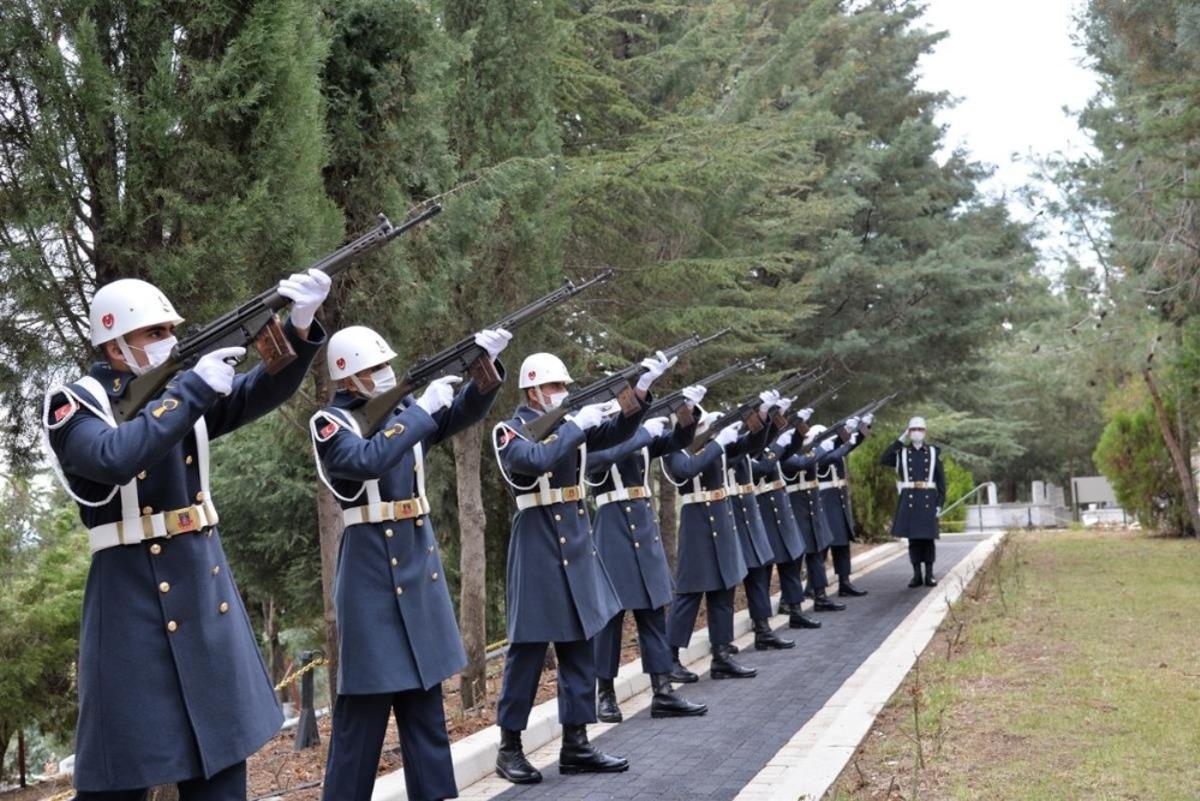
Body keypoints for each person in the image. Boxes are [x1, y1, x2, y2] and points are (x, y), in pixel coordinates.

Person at [43, 271, 330, 800]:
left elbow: (259, 390)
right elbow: (114, 456)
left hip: (201, 589)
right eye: (153, 332)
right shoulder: (73, 403)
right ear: (114, 342)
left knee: (219, 765)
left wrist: (299, 326)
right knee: (120, 776)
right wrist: (192, 387)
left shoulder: (178, 392)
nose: (168, 341)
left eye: (169, 329)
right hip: (128, 604)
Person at [310, 325, 510, 801]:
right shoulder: (332, 423)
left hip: (418, 569)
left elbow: (461, 413)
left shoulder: (402, 412)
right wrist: (420, 410)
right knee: (362, 723)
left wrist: (484, 369)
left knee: (426, 713)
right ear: (347, 377)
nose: (384, 374)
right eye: (373, 369)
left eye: (384, 366)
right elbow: (365, 461)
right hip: (370, 577)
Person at [491, 350, 673, 783]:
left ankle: (576, 742)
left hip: (574, 539)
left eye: (564, 387)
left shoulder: (567, 427)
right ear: (532, 389)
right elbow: (533, 462)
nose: (563, 393)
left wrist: (640, 390)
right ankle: (509, 746)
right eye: (555, 387)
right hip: (536, 542)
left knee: (579, 644)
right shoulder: (510, 430)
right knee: (528, 650)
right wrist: (575, 425)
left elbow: (618, 432)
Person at [588, 392, 708, 723]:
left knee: (653, 611)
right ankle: (605, 693)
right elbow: (598, 462)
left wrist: (688, 412)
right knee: (611, 619)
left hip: (643, 524)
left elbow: (679, 440)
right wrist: (639, 432)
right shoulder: (599, 442)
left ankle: (663, 690)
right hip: (612, 526)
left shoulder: (640, 441)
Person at [662, 404, 769, 683]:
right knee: (689, 592)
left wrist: (762, 418)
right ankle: (669, 658)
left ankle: (722, 655)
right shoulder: (675, 447)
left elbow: (751, 445)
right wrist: (718, 443)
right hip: (697, 519)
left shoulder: (713, 444)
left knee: (724, 588)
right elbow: (686, 469)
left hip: (721, 517)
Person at [726, 394, 794, 652]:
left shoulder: (739, 446)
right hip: (730, 515)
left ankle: (763, 629)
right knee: (730, 581)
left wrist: (768, 416)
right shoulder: (721, 449)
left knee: (758, 573)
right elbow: (757, 461)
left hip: (747, 513)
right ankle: (722, 642)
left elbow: (757, 442)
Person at [754, 413, 821, 630]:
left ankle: (796, 610)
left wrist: (798, 428)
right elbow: (763, 468)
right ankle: (761, 623)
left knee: (792, 562)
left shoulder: (769, 445)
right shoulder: (747, 447)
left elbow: (791, 450)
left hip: (780, 509)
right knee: (763, 572)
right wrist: (778, 445)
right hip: (762, 510)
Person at [813, 414, 873, 601]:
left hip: (837, 500)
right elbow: (834, 455)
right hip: (824, 501)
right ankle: (815, 586)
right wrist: (845, 442)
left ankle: (844, 582)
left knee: (842, 544)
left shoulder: (831, 449)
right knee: (822, 549)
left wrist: (862, 429)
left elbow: (846, 447)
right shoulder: (816, 453)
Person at [881, 416, 946, 587]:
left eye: (920, 429)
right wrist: (900, 439)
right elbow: (884, 458)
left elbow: (941, 483)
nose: (917, 432)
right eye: (913, 430)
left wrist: (939, 504)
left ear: (924, 432)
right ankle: (916, 574)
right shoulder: (902, 453)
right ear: (909, 432)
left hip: (928, 499)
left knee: (928, 540)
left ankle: (929, 575)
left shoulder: (933, 452)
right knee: (914, 541)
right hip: (910, 500)